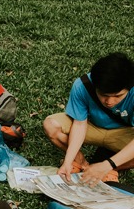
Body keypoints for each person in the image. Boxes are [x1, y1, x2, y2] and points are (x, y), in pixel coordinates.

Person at [43, 52, 134, 185]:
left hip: (124, 132)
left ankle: (109, 169)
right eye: (103, 95)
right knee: (51, 125)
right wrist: (68, 160)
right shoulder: (82, 85)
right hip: (92, 126)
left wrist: (108, 165)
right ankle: (79, 162)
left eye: (118, 96)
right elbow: (79, 124)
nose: (109, 102)